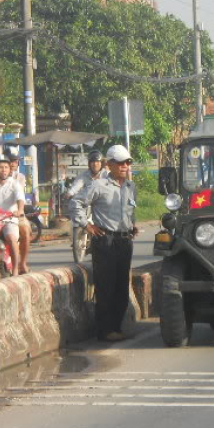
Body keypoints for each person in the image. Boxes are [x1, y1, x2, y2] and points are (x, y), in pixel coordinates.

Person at [70, 145, 139, 342]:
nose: (125, 166)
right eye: (120, 163)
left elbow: (130, 210)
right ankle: (105, 330)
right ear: (109, 165)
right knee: (106, 287)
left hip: (124, 241)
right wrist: (87, 225)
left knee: (122, 288)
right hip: (105, 240)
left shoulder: (130, 187)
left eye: (128, 162)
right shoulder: (98, 185)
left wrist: (132, 224)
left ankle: (116, 328)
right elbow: (76, 203)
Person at [6, 151, 32, 274]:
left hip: (15, 213)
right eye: (10, 161)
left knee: (26, 231)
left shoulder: (20, 177)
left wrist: (20, 210)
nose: (13, 164)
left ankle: (22, 263)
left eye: (15, 161)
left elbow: (18, 194)